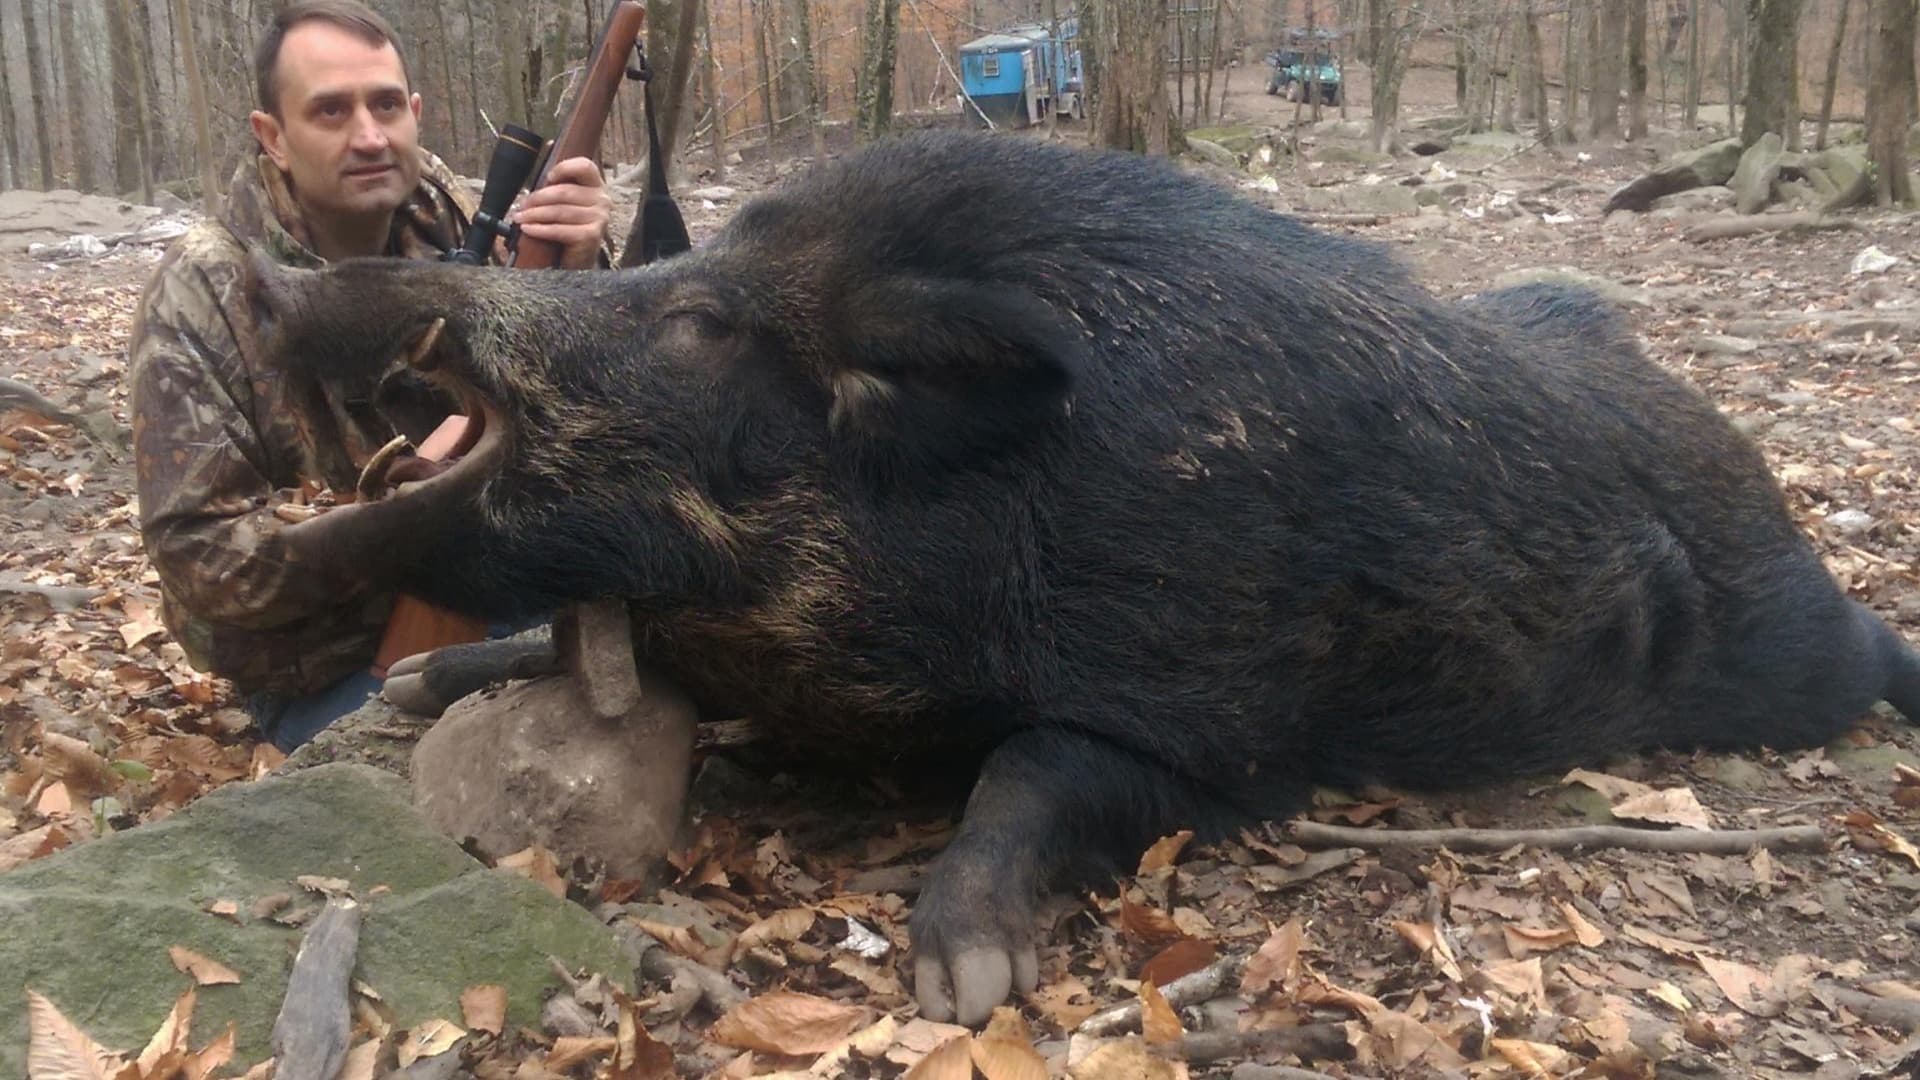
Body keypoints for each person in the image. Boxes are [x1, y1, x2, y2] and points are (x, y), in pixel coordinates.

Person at [126, 0, 613, 750]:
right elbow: (201, 558)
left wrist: (582, 276)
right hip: (332, 666)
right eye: (330, 111)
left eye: (386, 105)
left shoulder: (450, 214)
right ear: (273, 138)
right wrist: (409, 525)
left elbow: (604, 408)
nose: (369, 136)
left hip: (511, 591)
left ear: (415, 112)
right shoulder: (202, 290)